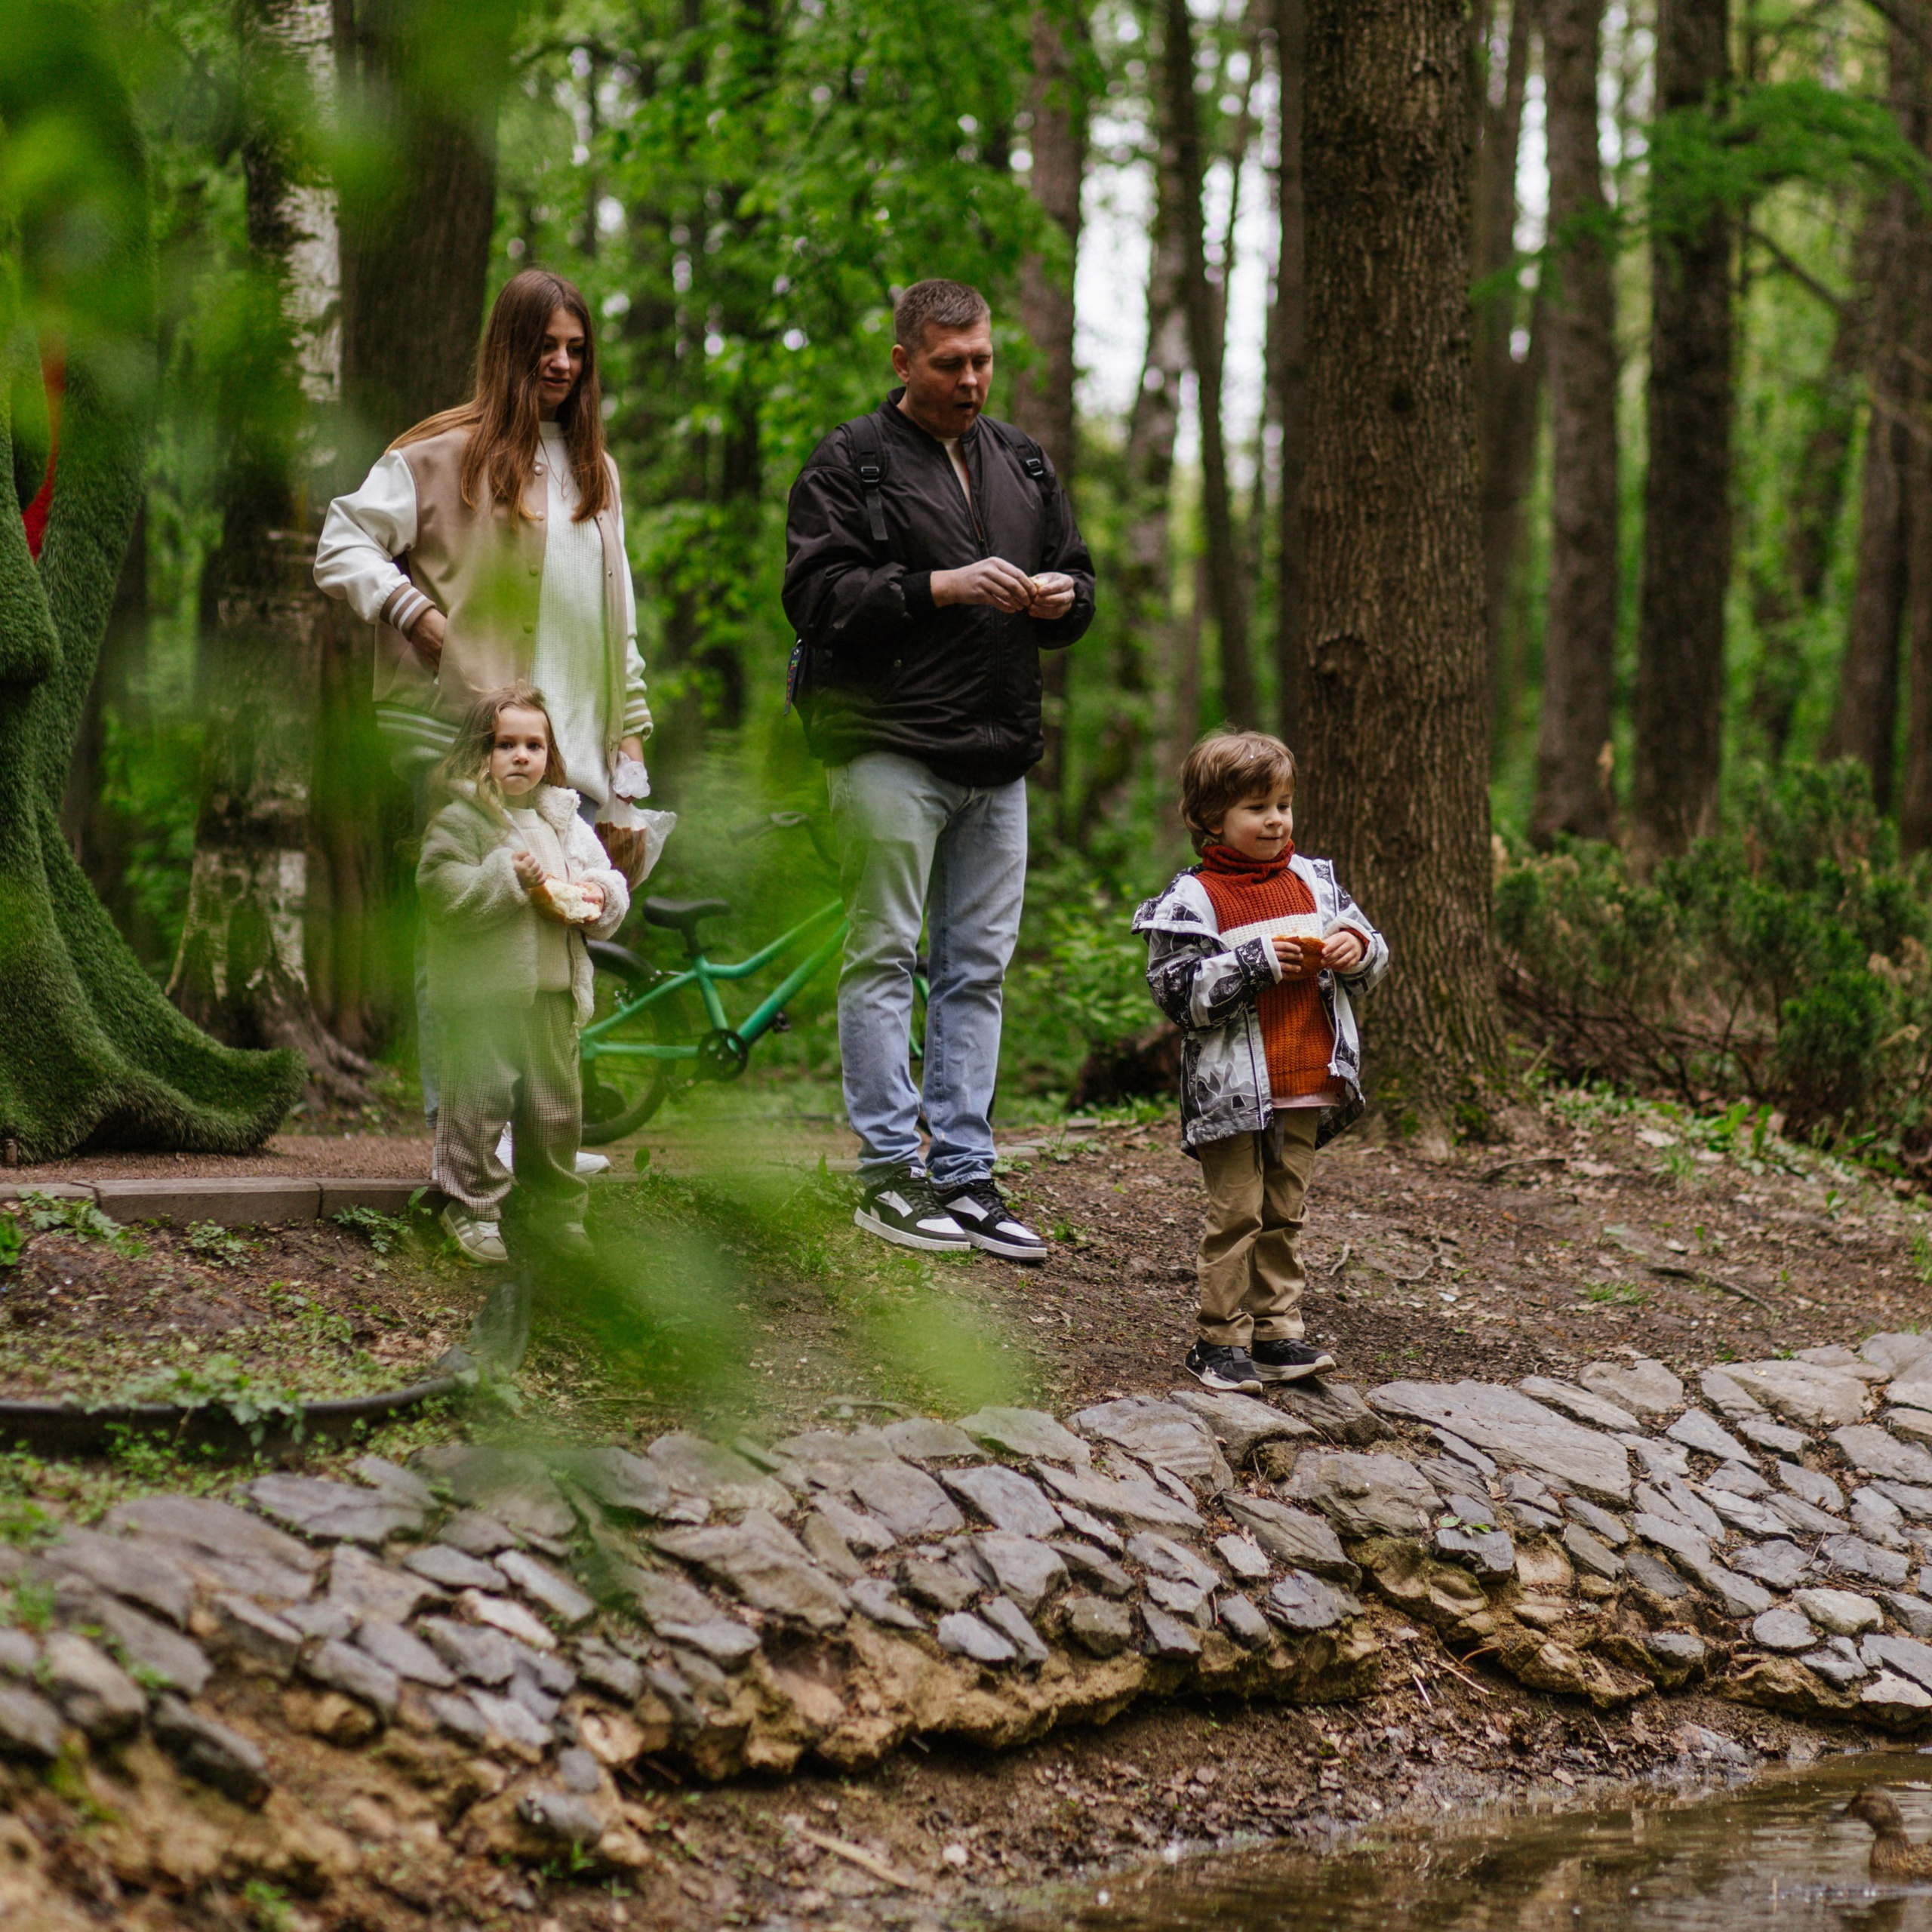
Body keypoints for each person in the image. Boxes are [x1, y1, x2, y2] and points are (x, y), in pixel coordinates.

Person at [783, 278, 1096, 1260]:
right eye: (950, 362)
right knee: (883, 955)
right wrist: (940, 587)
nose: (971, 379)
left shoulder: (1025, 463)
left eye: (983, 360)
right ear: (903, 362)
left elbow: (1083, 582)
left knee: (977, 969)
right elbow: (815, 597)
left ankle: (965, 1174)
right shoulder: (850, 463)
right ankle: (887, 1172)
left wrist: (1061, 600)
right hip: (886, 747)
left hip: (996, 756)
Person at [313, 268, 653, 1152]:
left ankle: (529, 1132)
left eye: (577, 349)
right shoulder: (437, 452)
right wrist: (411, 612)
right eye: (545, 347)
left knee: (556, 934)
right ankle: (457, 1133)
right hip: (460, 733)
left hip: (567, 751)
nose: (563, 364)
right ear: (508, 349)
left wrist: (628, 760)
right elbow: (340, 540)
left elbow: (620, 627)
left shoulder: (596, 473)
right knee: (468, 928)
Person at [1132, 731, 1389, 1394]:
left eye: (1283, 804)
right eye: (1257, 808)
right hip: (1231, 1092)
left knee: (1285, 1209)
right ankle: (1219, 1339)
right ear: (1212, 817)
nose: (1276, 820)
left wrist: (1354, 949)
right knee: (1237, 1211)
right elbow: (1177, 992)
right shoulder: (1194, 900)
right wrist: (1257, 963)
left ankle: (1278, 1330)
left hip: (1307, 1077)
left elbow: (1373, 951)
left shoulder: (1315, 882)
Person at [417, 684, 629, 1264]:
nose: (520, 756)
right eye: (505, 744)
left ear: (549, 755)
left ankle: (556, 1212)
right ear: (478, 753)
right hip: (485, 1002)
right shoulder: (461, 821)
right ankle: (472, 1208)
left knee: (556, 1112)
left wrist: (595, 894)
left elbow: (609, 883)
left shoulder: (563, 821)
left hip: (554, 999)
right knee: (479, 1105)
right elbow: (443, 895)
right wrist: (505, 876)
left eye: (533, 745)